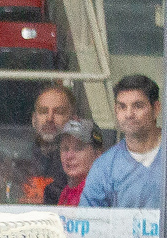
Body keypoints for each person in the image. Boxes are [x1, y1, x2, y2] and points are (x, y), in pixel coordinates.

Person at [82, 75, 166, 210]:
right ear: (116, 110)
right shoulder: (104, 167)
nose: (129, 114)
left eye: (138, 106)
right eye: (122, 107)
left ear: (156, 108)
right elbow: (90, 221)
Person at [15, 84, 78, 202]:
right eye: (43, 111)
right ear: (34, 120)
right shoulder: (19, 159)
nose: (49, 118)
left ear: (73, 120)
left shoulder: (81, 165)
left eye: (58, 112)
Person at [54, 119, 103, 208]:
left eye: (78, 148)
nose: (69, 156)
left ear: (97, 154)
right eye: (65, 149)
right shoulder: (66, 191)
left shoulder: (96, 193)